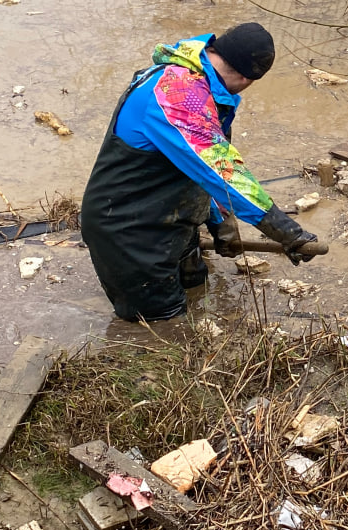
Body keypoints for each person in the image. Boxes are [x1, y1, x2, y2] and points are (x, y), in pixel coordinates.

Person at [81, 22, 319, 321]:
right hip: (128, 232)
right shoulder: (177, 96)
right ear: (247, 78)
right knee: (161, 326)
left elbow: (197, 166)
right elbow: (221, 170)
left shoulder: (202, 83)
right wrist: (287, 232)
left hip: (172, 221)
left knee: (196, 288)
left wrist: (221, 222)